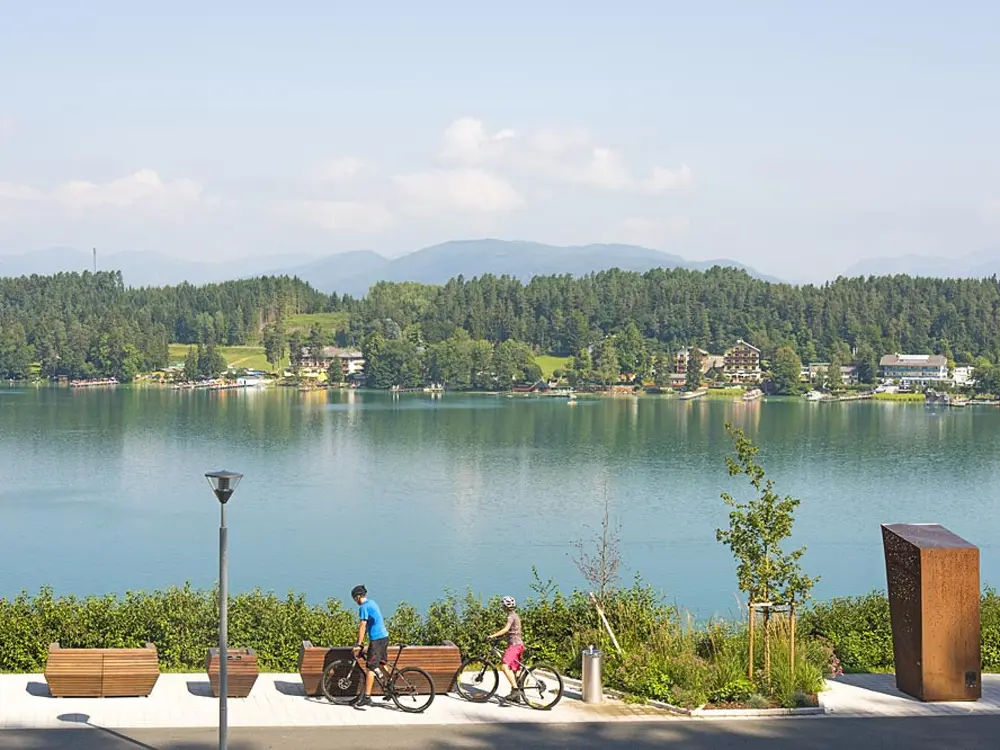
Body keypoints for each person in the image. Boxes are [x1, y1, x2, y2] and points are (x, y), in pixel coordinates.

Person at [350, 584, 388, 710]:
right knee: (382, 663)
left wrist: (359, 644)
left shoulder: (363, 607)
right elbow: (368, 625)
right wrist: (360, 641)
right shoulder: (372, 603)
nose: (355, 601)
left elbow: (363, 625)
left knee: (370, 668)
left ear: (358, 597)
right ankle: (390, 685)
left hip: (376, 640)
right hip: (384, 637)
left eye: (354, 598)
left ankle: (367, 697)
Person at [488, 595, 524, 704]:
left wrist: (493, 636)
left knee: (504, 666)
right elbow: (513, 632)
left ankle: (515, 690)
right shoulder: (516, 616)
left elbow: (506, 629)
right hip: (519, 645)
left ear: (504, 607)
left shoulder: (510, 617)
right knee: (515, 670)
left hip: (514, 646)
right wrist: (502, 638)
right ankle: (517, 695)